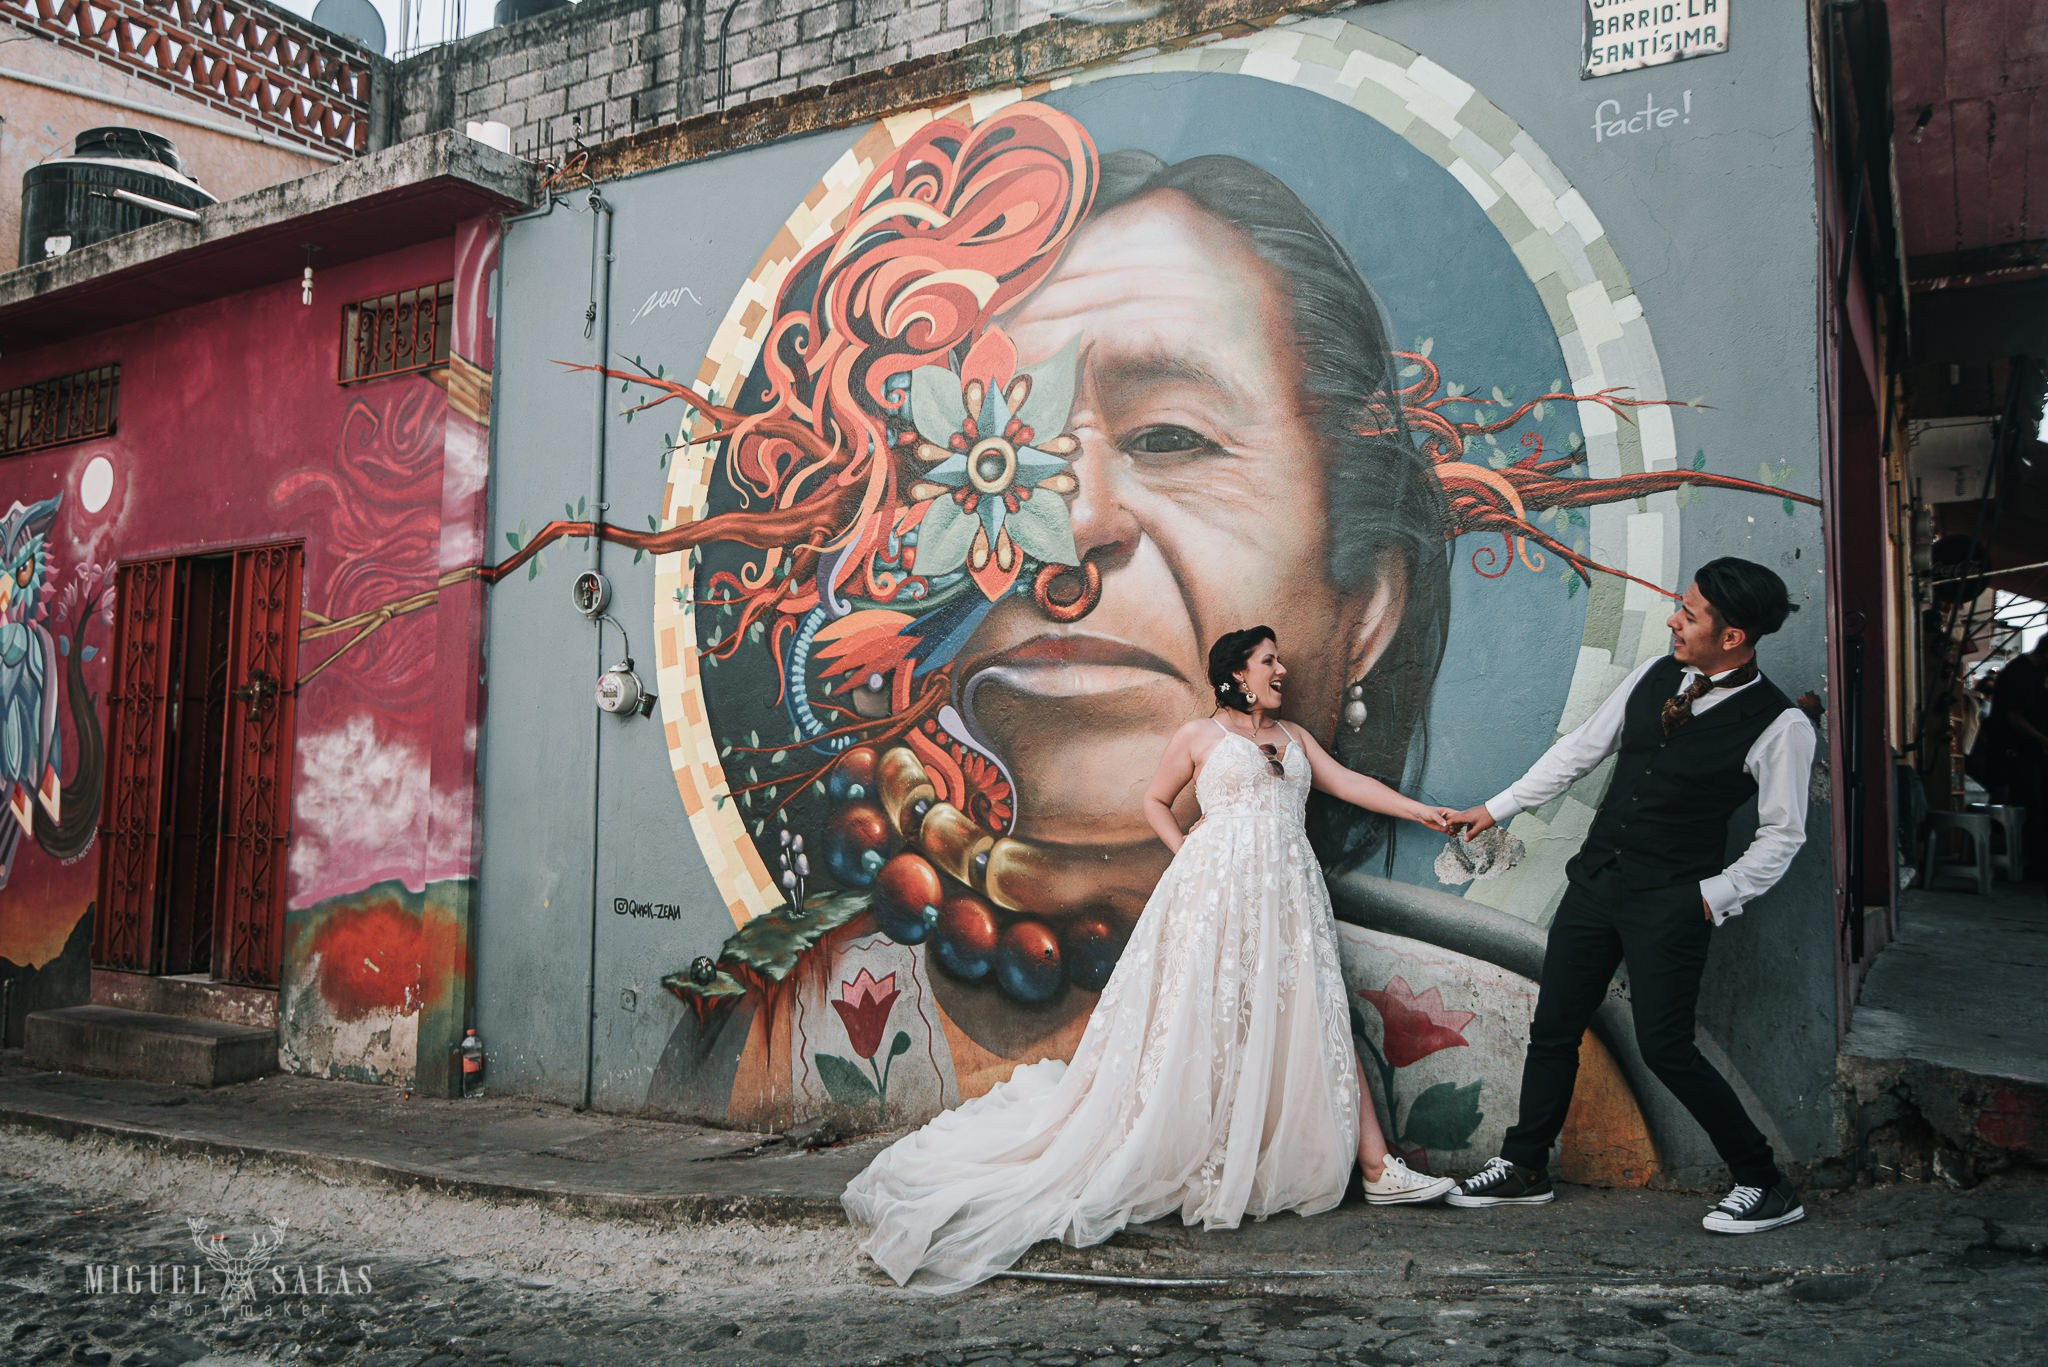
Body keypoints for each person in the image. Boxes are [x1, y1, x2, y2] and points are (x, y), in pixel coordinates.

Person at [842, 627, 1461, 1292]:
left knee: (1317, 1009)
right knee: (1205, 1018)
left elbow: (1349, 784)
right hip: (1214, 892)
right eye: (1268, 661)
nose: (1282, 669)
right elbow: (1155, 801)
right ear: (1237, 674)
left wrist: (1425, 813)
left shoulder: (1298, 739)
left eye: (1279, 658)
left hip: (1287, 894)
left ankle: (1376, 1167)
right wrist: (1184, 846)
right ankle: (1316, 1156)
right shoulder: (1200, 736)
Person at [1443, 558, 1816, 1235]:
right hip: (1597, 883)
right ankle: (1525, 1166)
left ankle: (1764, 1180)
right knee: (1554, 1026)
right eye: (1682, 605)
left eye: (1691, 612)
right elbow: (1579, 752)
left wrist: (1710, 896)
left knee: (1666, 1046)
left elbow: (1782, 836)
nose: (1675, 617)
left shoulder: (1781, 724)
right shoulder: (1655, 676)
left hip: (1671, 902)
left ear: (1732, 636)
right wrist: (1495, 808)